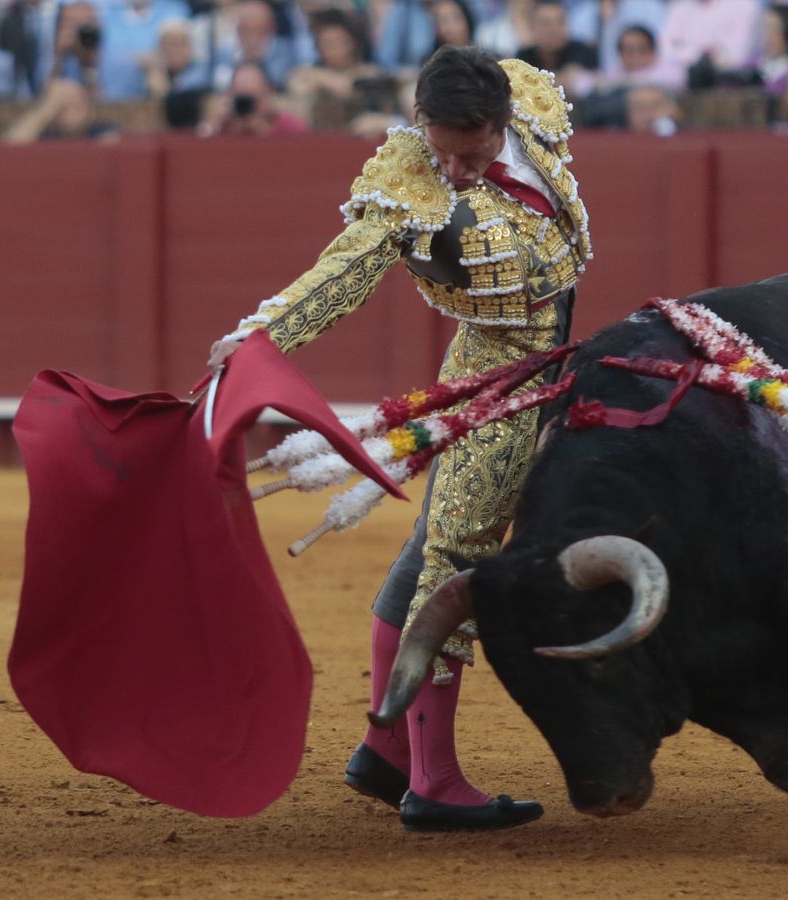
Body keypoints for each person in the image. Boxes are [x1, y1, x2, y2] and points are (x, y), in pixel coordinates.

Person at [205, 47, 592, 832]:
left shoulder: (527, 102)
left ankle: (385, 748)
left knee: (430, 550)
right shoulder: (404, 185)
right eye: (440, 149)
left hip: (553, 359)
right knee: (456, 563)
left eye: (472, 152)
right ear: (419, 124)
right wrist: (260, 337)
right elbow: (343, 272)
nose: (452, 169)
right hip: (494, 377)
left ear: (503, 123)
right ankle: (434, 783)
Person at [198, 58, 310, 135]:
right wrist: (212, 125)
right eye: (241, 99)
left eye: (253, 99)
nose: (247, 106)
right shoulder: (222, 125)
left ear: (268, 95)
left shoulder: (289, 127)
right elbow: (196, 153)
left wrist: (265, 132)